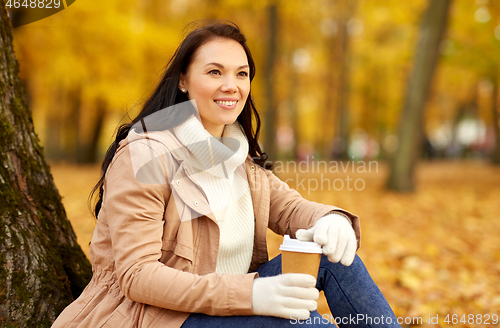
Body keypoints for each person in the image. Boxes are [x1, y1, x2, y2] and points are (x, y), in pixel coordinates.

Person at [51, 21, 400, 328]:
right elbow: (137, 277)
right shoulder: (146, 154)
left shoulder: (239, 156)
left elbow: (291, 208)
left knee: (331, 257)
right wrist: (251, 294)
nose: (231, 85)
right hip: (159, 317)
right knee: (302, 323)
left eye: (241, 73)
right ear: (184, 81)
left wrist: (331, 219)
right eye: (215, 72)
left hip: (231, 305)